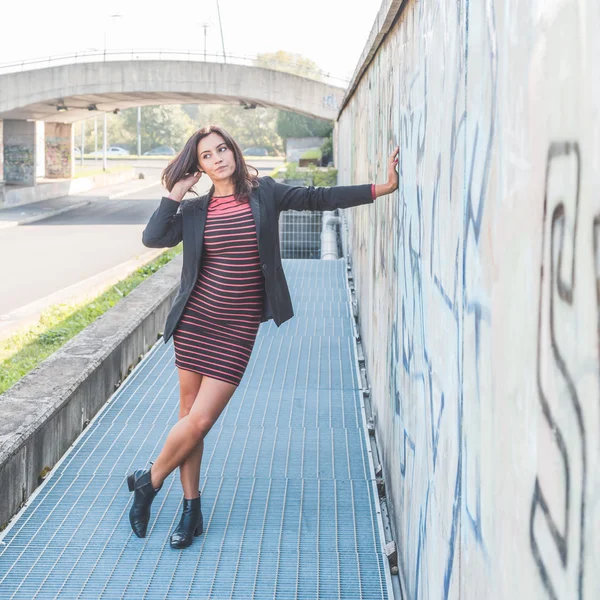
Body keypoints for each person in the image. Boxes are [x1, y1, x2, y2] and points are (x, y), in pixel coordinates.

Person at [127, 125, 399, 549]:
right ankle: (190, 507)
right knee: (188, 419)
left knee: (199, 420)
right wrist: (176, 192)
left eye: (222, 149)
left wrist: (379, 189)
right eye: (206, 156)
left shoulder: (264, 193)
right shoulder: (196, 211)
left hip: (237, 329)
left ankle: (148, 481)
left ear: (234, 151)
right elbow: (153, 237)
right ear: (198, 166)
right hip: (195, 322)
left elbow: (316, 198)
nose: (217, 158)